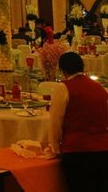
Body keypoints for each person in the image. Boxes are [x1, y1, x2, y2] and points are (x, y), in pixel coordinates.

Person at [49, 52, 108, 190]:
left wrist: (55, 148)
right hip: (104, 150)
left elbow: (55, 121)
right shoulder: (100, 88)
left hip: (77, 150)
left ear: (62, 70)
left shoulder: (63, 87)